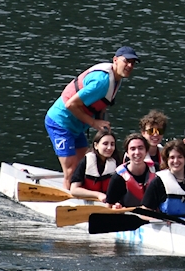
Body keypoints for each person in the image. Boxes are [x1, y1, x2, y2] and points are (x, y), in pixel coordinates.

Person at [44, 46, 139, 189]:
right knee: (71, 169)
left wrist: (102, 127)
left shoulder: (117, 79)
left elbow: (102, 102)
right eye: (126, 61)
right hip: (60, 122)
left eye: (133, 63)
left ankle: (81, 194)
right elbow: (70, 104)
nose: (130, 66)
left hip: (76, 125)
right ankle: (68, 204)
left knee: (86, 165)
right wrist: (94, 123)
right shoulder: (101, 82)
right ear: (115, 60)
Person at [141, 140, 185, 218]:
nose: (176, 161)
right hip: (167, 228)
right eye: (172, 157)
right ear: (167, 160)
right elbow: (145, 212)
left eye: (180, 157)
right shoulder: (158, 182)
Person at [105, 133, 156, 209]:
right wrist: (115, 208)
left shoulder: (157, 171)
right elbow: (109, 206)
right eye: (133, 149)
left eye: (140, 148)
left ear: (146, 151)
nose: (137, 152)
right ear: (127, 154)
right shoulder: (118, 178)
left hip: (154, 218)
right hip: (129, 217)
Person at [69, 129, 117, 203]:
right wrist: (98, 195)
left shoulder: (116, 162)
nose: (109, 147)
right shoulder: (86, 161)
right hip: (88, 202)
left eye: (112, 144)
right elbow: (74, 189)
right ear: (96, 145)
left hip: (108, 203)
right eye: (105, 143)